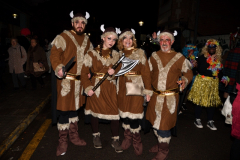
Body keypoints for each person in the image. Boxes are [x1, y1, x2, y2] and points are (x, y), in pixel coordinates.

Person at [50, 11, 93, 156]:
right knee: (64, 111)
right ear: (72, 23)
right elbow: (54, 55)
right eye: (77, 22)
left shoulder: (88, 41)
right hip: (66, 82)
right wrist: (58, 68)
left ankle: (74, 136)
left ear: (85, 25)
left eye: (82, 23)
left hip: (79, 83)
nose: (80, 25)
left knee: (74, 110)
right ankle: (63, 142)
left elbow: (91, 59)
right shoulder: (63, 37)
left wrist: (90, 71)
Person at [146, 30, 193, 160]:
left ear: (172, 42)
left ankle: (163, 150)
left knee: (164, 126)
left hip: (170, 98)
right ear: (159, 42)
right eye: (162, 40)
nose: (164, 42)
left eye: (167, 40)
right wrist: (147, 90)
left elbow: (188, 73)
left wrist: (184, 80)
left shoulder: (179, 57)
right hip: (155, 96)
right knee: (155, 123)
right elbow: (147, 74)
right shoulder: (154, 56)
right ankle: (160, 143)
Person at [81, 25, 123, 153]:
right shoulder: (91, 53)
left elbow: (120, 71)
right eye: (109, 38)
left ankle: (115, 139)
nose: (111, 42)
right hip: (96, 87)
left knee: (115, 114)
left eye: (114, 40)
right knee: (95, 112)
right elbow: (84, 73)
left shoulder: (117, 55)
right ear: (103, 38)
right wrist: (88, 87)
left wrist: (113, 72)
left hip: (110, 87)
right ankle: (96, 136)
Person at [116, 28, 152, 156]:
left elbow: (146, 73)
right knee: (124, 114)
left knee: (135, 114)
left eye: (130, 38)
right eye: (125, 38)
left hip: (136, 85)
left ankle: (137, 141)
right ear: (121, 41)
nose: (128, 41)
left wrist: (148, 91)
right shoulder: (118, 54)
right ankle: (127, 138)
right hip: (121, 86)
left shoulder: (140, 53)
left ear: (133, 40)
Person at [188, 39, 229, 130]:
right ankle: (197, 119)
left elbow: (219, 71)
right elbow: (202, 70)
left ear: (216, 48)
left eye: (214, 46)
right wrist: (210, 60)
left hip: (213, 83)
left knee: (211, 102)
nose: (211, 48)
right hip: (202, 82)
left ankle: (210, 121)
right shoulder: (202, 57)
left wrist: (223, 78)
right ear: (207, 48)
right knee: (199, 101)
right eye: (210, 46)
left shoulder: (218, 59)